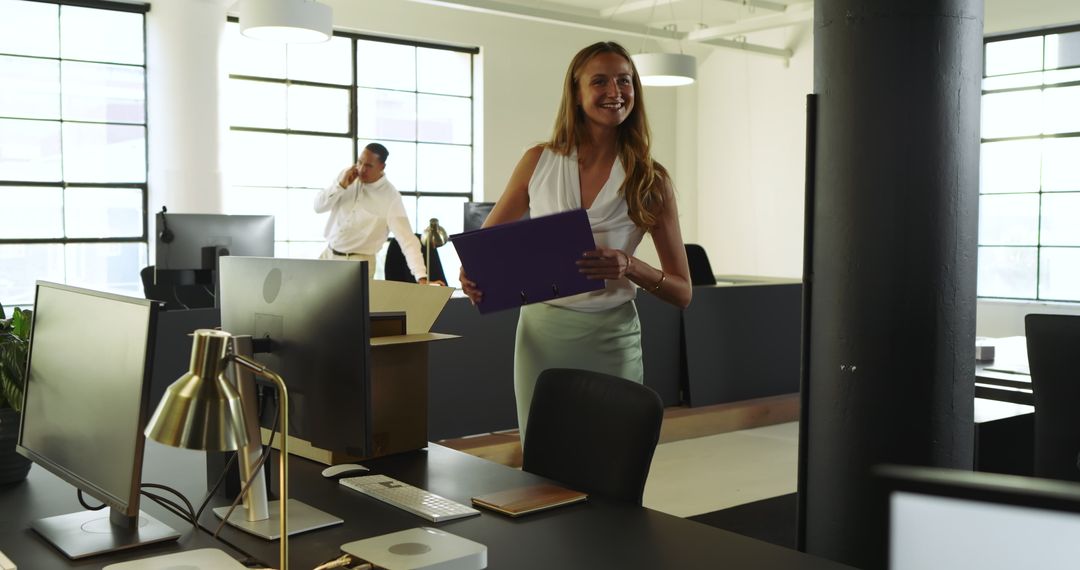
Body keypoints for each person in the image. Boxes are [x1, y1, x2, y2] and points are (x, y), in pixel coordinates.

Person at [459, 41, 692, 441]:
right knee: (544, 458)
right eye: (600, 81)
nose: (615, 92)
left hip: (612, 340)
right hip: (541, 339)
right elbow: (483, 252)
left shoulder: (652, 180)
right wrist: (472, 275)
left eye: (625, 81)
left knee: (614, 456)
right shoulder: (538, 161)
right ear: (576, 92)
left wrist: (630, 266)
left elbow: (683, 292)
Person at [314, 142, 432, 283]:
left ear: (382, 167)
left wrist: (421, 277)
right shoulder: (346, 176)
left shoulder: (391, 197)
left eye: (369, 166)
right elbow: (318, 207)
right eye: (359, 162)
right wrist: (340, 186)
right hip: (328, 256)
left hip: (358, 265)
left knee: (349, 305)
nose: (362, 169)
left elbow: (408, 240)